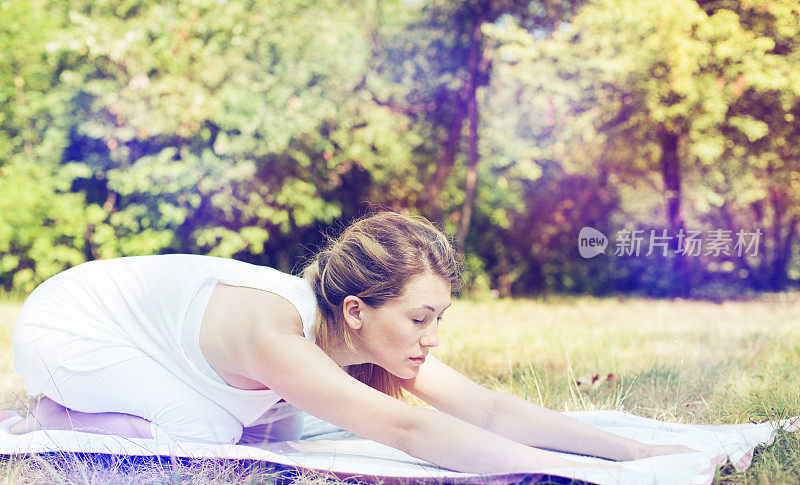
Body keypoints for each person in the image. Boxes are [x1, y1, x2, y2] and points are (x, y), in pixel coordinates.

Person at [0, 211, 694, 475]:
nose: (432, 337)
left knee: (282, 422)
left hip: (146, 319)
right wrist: (559, 473)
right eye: (420, 318)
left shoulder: (359, 334)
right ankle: (57, 413)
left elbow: (482, 409)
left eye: (439, 318)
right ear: (357, 309)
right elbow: (407, 426)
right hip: (72, 322)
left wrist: (627, 452)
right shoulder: (278, 333)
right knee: (210, 428)